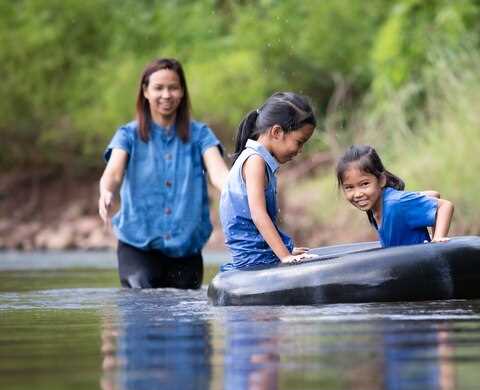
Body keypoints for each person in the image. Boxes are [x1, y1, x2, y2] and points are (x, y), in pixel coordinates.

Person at [98, 58, 228, 289]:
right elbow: (114, 173)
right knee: (143, 304)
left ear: (182, 92)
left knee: (186, 316)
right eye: (159, 88)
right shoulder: (128, 135)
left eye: (173, 87)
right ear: (145, 91)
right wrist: (106, 192)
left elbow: (219, 174)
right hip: (137, 245)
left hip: (186, 248)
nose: (166, 95)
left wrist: (237, 191)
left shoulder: (201, 135)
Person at [219, 92, 317, 271]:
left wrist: (286, 249)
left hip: (259, 254)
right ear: (277, 132)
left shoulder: (258, 160)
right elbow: (258, 215)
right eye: (299, 142)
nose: (300, 150)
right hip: (252, 260)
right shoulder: (255, 161)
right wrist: (284, 256)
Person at [336, 144, 454, 247]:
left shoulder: (395, 204)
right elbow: (433, 195)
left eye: (364, 184)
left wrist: (437, 240)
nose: (357, 194)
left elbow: (444, 206)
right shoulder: (379, 206)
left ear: (381, 180)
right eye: (349, 187)